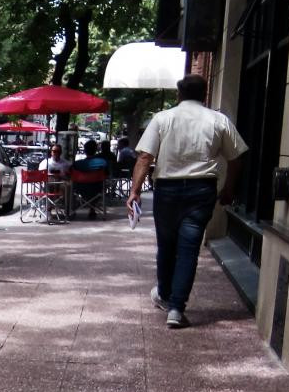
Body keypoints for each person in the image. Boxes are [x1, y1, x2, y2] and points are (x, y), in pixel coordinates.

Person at [127, 74, 247, 329]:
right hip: (201, 191)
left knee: (167, 246)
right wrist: (228, 188)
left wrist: (134, 191)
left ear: (178, 94)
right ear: (205, 94)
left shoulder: (163, 118)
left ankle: (165, 295)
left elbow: (145, 157)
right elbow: (236, 159)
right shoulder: (219, 120)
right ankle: (176, 309)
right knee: (188, 251)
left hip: (167, 190)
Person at [69, 140, 109, 219]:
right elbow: (107, 174)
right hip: (97, 188)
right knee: (102, 185)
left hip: (80, 188)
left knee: (71, 186)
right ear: (96, 150)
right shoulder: (103, 162)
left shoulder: (77, 164)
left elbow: (70, 173)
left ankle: (72, 209)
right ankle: (92, 208)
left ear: (84, 151)